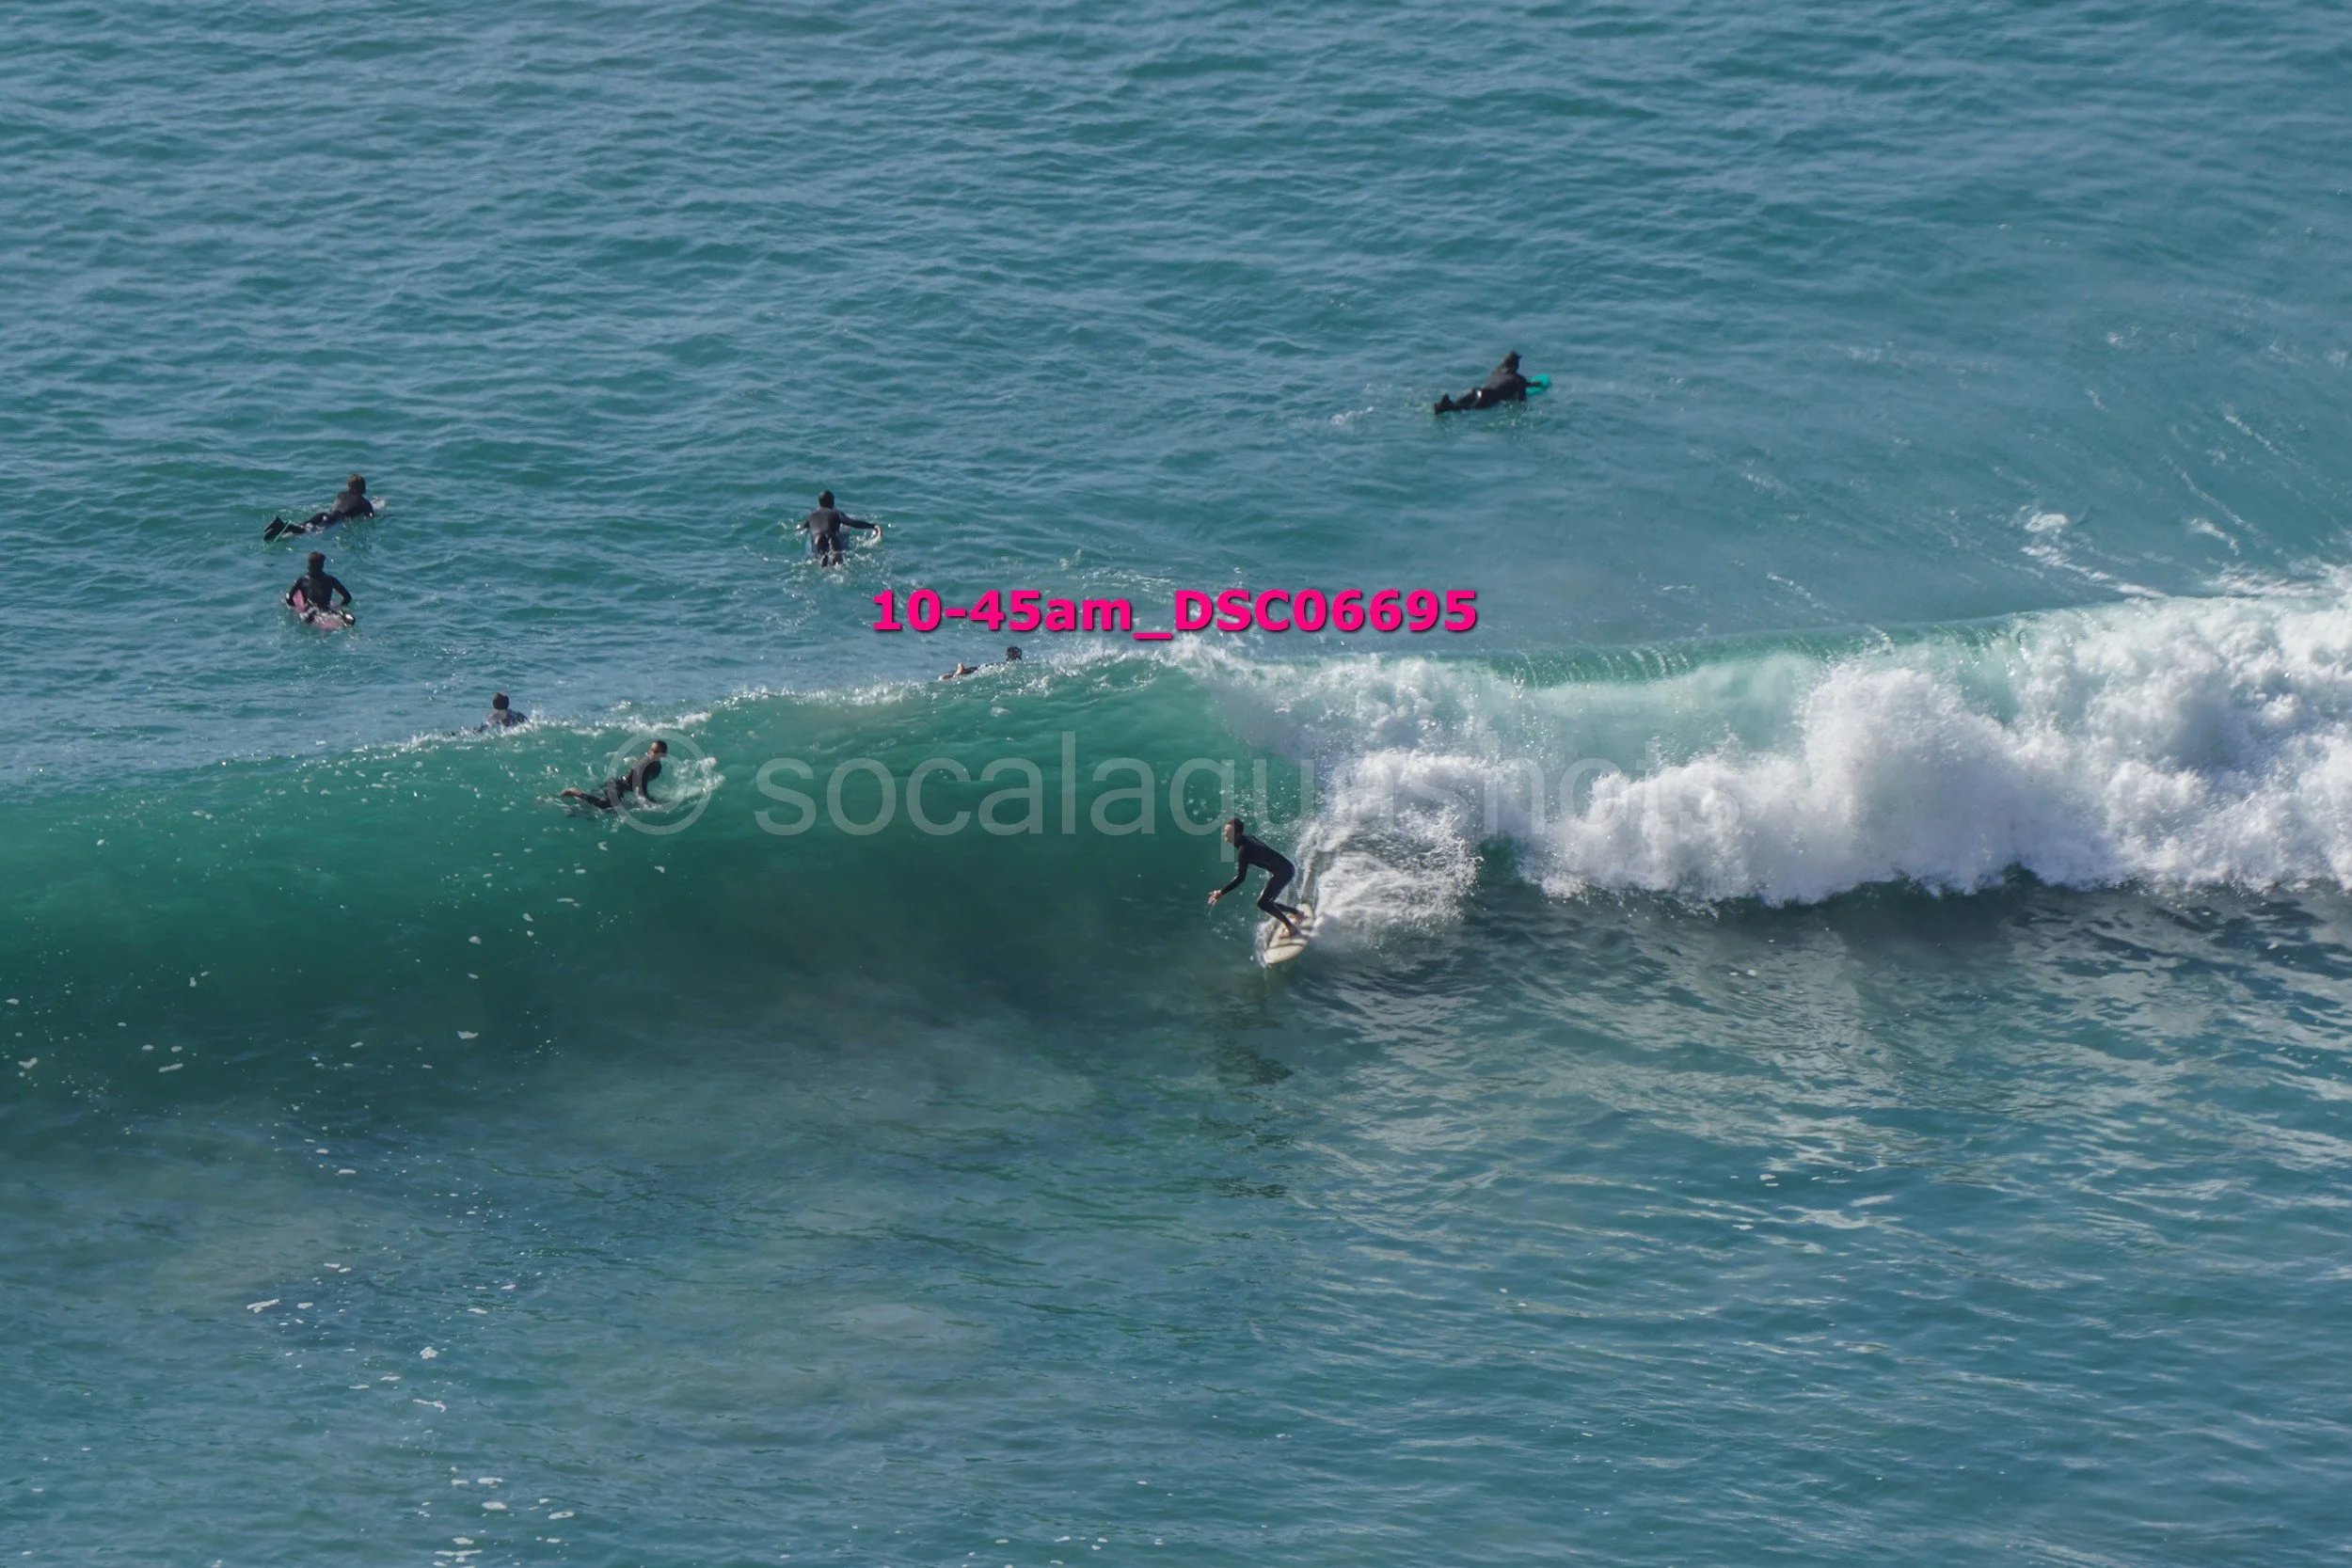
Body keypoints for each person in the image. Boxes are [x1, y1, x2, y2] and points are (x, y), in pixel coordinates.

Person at [1207, 816, 1304, 939]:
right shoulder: (1248, 838)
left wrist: (1222, 892)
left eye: (1228, 831)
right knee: (1266, 901)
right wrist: (1271, 868)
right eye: (1225, 830)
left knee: (1263, 903)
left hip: (1283, 872)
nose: (1225, 833)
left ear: (1237, 834)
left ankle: (1291, 928)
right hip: (1284, 868)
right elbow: (1265, 851)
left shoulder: (1243, 850)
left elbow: (1241, 878)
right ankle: (1297, 914)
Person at [564, 739, 666, 810]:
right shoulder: (644, 764)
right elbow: (640, 788)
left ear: (663, 755)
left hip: (619, 785)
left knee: (594, 805)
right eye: (651, 750)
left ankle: (576, 802)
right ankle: (575, 792)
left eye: (656, 751)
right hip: (618, 785)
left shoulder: (657, 767)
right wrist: (652, 802)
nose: (652, 753)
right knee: (607, 805)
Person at [265, 475, 376, 540]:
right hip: (333, 519)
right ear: (363, 488)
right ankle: (285, 526)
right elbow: (371, 518)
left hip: (323, 514)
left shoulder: (341, 494)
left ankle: (282, 526)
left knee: (303, 526)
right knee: (308, 532)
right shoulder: (365, 503)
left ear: (348, 486)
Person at [798, 490, 880, 565]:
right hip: (832, 537)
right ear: (832, 502)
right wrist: (872, 526)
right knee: (837, 558)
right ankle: (835, 558)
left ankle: (822, 561)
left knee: (819, 556)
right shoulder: (835, 512)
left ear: (819, 503)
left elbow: (802, 528)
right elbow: (851, 522)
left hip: (817, 538)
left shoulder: (811, 516)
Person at [1434, 352, 1531, 414]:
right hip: (1487, 399)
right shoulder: (1518, 380)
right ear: (1516, 365)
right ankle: (1446, 408)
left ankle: (1444, 405)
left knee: (1459, 404)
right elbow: (1521, 401)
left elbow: (1506, 382)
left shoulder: (1498, 370)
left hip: (1477, 391)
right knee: (1464, 409)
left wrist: (1530, 384)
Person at [285, 550, 352, 623]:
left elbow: (288, 598)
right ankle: (346, 618)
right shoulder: (331, 579)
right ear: (322, 565)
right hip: (326, 609)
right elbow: (347, 597)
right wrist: (338, 607)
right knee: (340, 614)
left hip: (310, 609)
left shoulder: (301, 580)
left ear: (309, 566)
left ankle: (309, 618)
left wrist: (297, 609)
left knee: (307, 615)